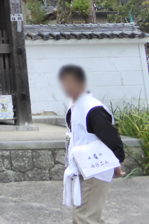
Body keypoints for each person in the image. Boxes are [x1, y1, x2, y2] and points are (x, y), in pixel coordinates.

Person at [58, 64, 125, 224]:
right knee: (90, 215)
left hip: (95, 168)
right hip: (83, 166)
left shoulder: (92, 108)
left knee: (84, 216)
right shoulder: (75, 106)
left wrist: (117, 162)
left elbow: (112, 138)